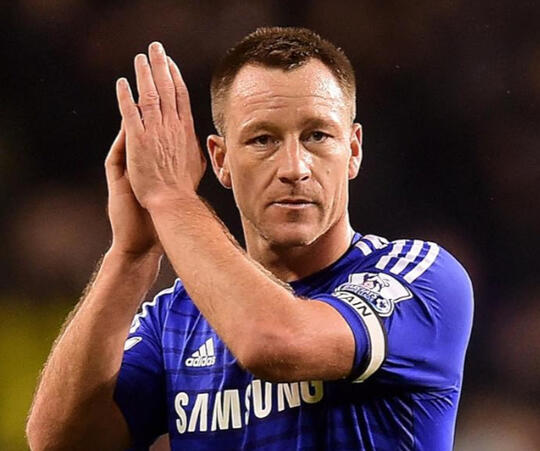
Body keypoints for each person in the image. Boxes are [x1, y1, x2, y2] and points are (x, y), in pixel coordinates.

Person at [26, 27, 473, 450]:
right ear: (220, 160)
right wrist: (131, 256)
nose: (294, 168)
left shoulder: (422, 277)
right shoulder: (176, 318)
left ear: (353, 150)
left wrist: (172, 198)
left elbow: (275, 342)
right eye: (263, 140)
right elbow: (59, 442)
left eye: (317, 136)